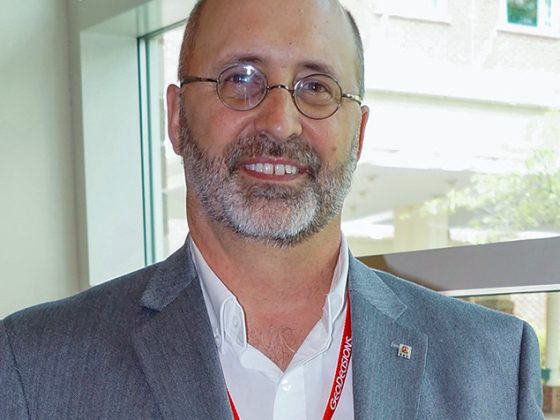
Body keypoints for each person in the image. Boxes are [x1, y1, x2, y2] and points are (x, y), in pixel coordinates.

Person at [0, 0, 544, 418]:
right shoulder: (36, 368)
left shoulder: (491, 364)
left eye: (316, 86)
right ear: (175, 117)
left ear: (358, 135)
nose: (280, 122)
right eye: (240, 79)